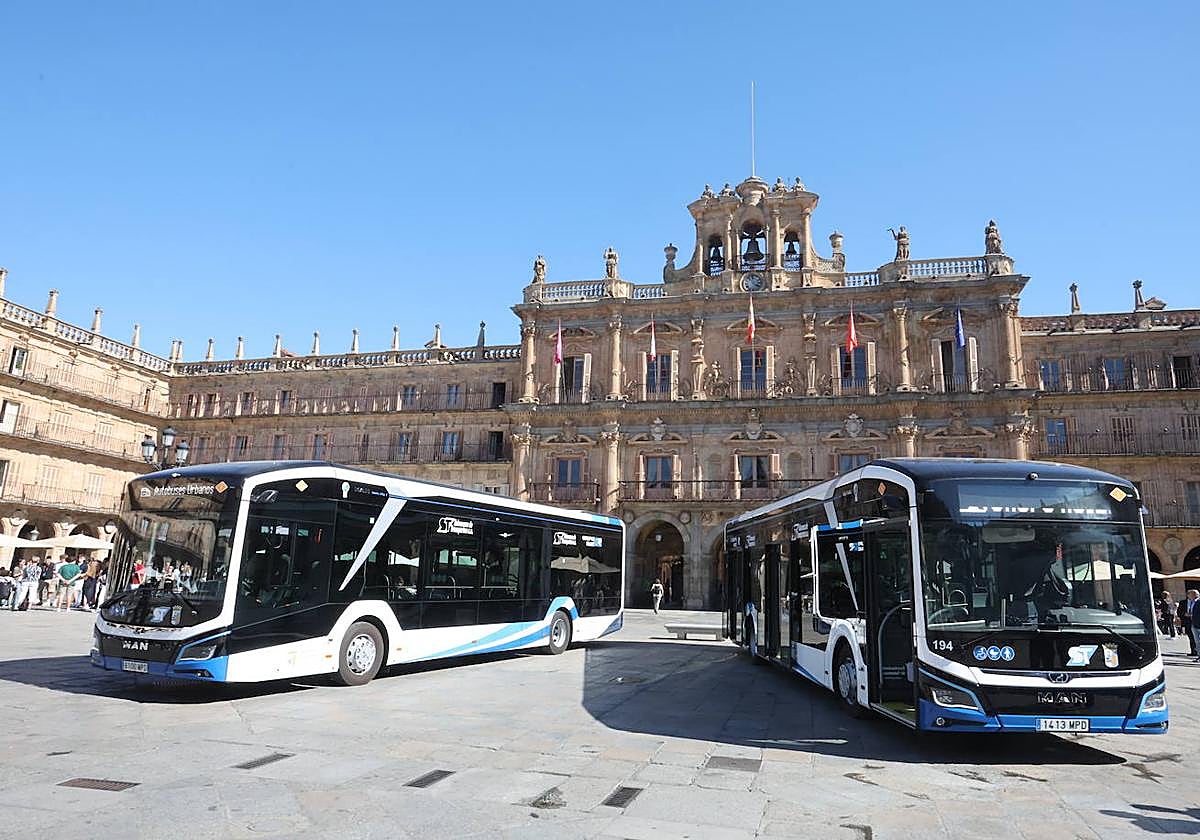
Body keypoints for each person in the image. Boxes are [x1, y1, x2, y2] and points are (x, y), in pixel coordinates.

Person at [1178, 590, 1198, 656]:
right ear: (1188, 595)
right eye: (1193, 594)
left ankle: (1197, 651)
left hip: (1197, 622)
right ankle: (1194, 651)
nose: (1196, 596)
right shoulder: (1182, 602)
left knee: (1197, 638)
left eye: (1196, 594)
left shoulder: (1197, 602)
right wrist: (1185, 614)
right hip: (1188, 622)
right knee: (1191, 637)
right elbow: (1179, 612)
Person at [1188, 589, 1200, 661]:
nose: (1189, 595)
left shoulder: (1198, 601)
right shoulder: (1191, 602)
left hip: (1198, 624)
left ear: (1195, 595)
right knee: (1197, 641)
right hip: (1194, 624)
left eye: (1190, 594)